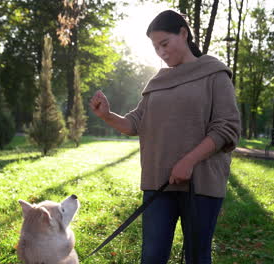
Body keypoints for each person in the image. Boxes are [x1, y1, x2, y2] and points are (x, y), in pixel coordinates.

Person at [89, 10, 241, 264]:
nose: (160, 52)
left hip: (201, 186)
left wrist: (188, 161)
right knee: (151, 257)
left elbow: (227, 127)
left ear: (183, 33)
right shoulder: (157, 82)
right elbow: (134, 123)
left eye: (164, 43)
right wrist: (107, 115)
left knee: (197, 257)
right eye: (155, 47)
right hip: (158, 185)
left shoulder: (215, 74)